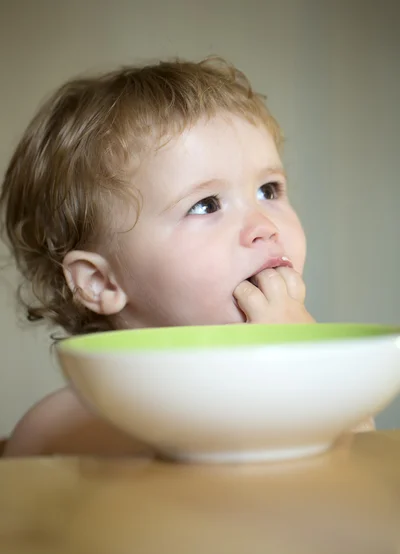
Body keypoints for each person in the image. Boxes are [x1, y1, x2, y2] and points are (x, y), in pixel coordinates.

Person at [0, 57, 374, 457]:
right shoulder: (56, 430)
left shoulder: (312, 390)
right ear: (101, 282)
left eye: (269, 190)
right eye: (206, 204)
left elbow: (365, 471)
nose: (264, 225)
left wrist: (310, 363)